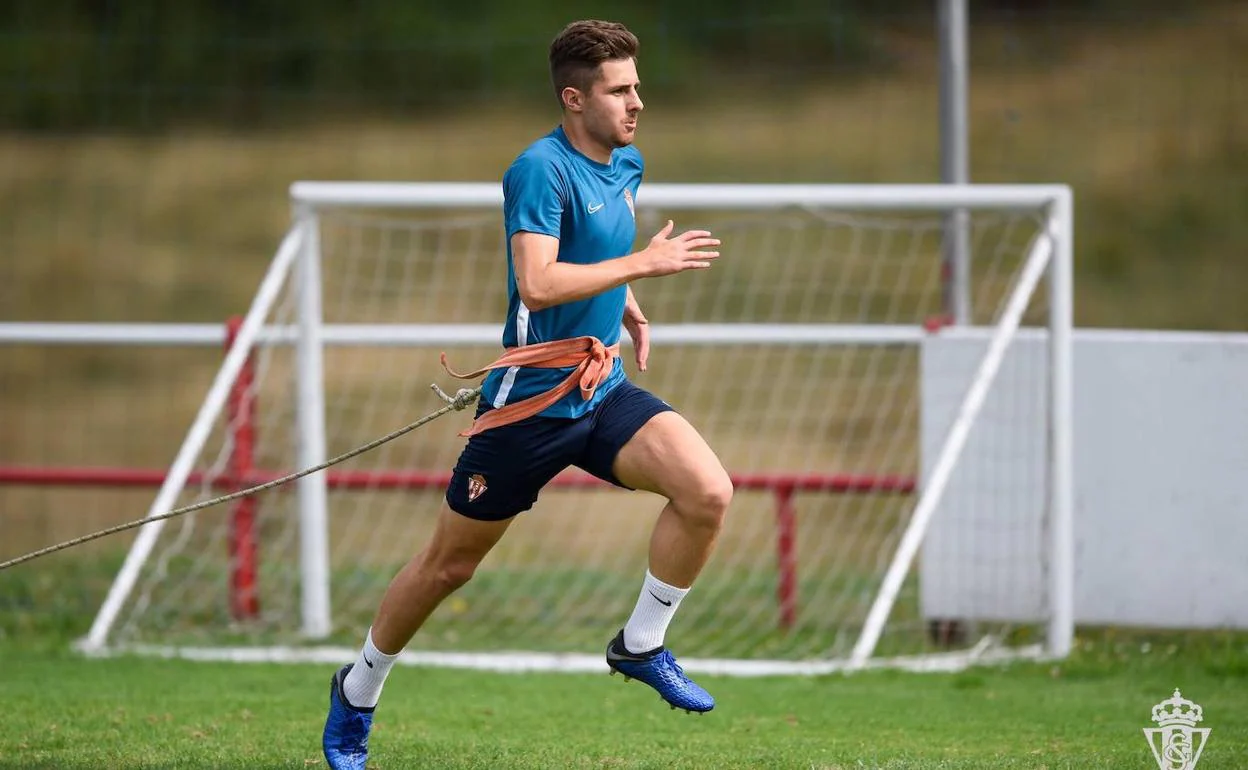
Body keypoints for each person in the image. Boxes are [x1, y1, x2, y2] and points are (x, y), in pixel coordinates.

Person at [322, 19, 733, 769]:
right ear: (574, 98)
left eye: (637, 86)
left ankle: (641, 644)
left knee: (708, 490)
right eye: (619, 90)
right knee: (449, 567)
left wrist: (626, 305)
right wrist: (642, 267)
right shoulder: (538, 169)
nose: (637, 102)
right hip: (531, 404)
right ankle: (357, 691)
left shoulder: (627, 161)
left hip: (599, 385)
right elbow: (539, 282)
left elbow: (593, 254)